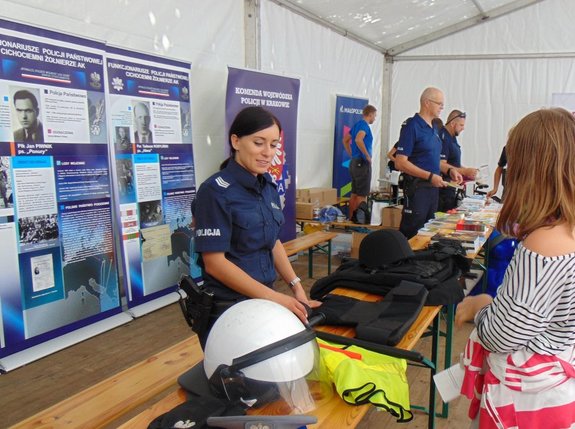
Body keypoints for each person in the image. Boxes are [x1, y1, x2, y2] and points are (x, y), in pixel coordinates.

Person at [455, 108, 575, 428]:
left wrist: (481, 306)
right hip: (556, 391)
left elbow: (503, 334)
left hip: (528, 401)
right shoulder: (567, 229)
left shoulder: (544, 244)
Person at [192, 106, 320, 348]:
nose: (267, 153)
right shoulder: (215, 191)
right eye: (259, 143)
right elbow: (215, 263)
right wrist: (277, 299)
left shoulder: (267, 187)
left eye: (273, 145)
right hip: (229, 309)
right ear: (236, 141)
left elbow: (272, 241)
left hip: (264, 302)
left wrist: (297, 291)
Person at [395, 87, 462, 239]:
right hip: (417, 191)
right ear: (426, 103)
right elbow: (400, 162)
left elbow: (434, 160)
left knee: (427, 235)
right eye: (439, 104)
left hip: (433, 191)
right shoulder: (412, 126)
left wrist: (450, 170)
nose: (442, 108)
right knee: (412, 235)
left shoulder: (435, 128)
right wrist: (430, 176)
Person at [438, 109, 478, 211]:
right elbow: (441, 164)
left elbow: (454, 164)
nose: (463, 128)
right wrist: (464, 171)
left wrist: (468, 172)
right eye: (461, 125)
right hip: (442, 191)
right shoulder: (443, 137)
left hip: (451, 189)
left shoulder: (452, 137)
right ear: (452, 123)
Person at [343, 105, 377, 218]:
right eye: (375, 116)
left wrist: (351, 154)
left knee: (354, 194)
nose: (375, 119)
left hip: (354, 162)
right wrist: (367, 155)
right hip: (362, 163)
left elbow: (345, 140)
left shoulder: (356, 125)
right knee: (362, 195)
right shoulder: (364, 126)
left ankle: (351, 220)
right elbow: (358, 139)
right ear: (370, 114)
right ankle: (359, 222)